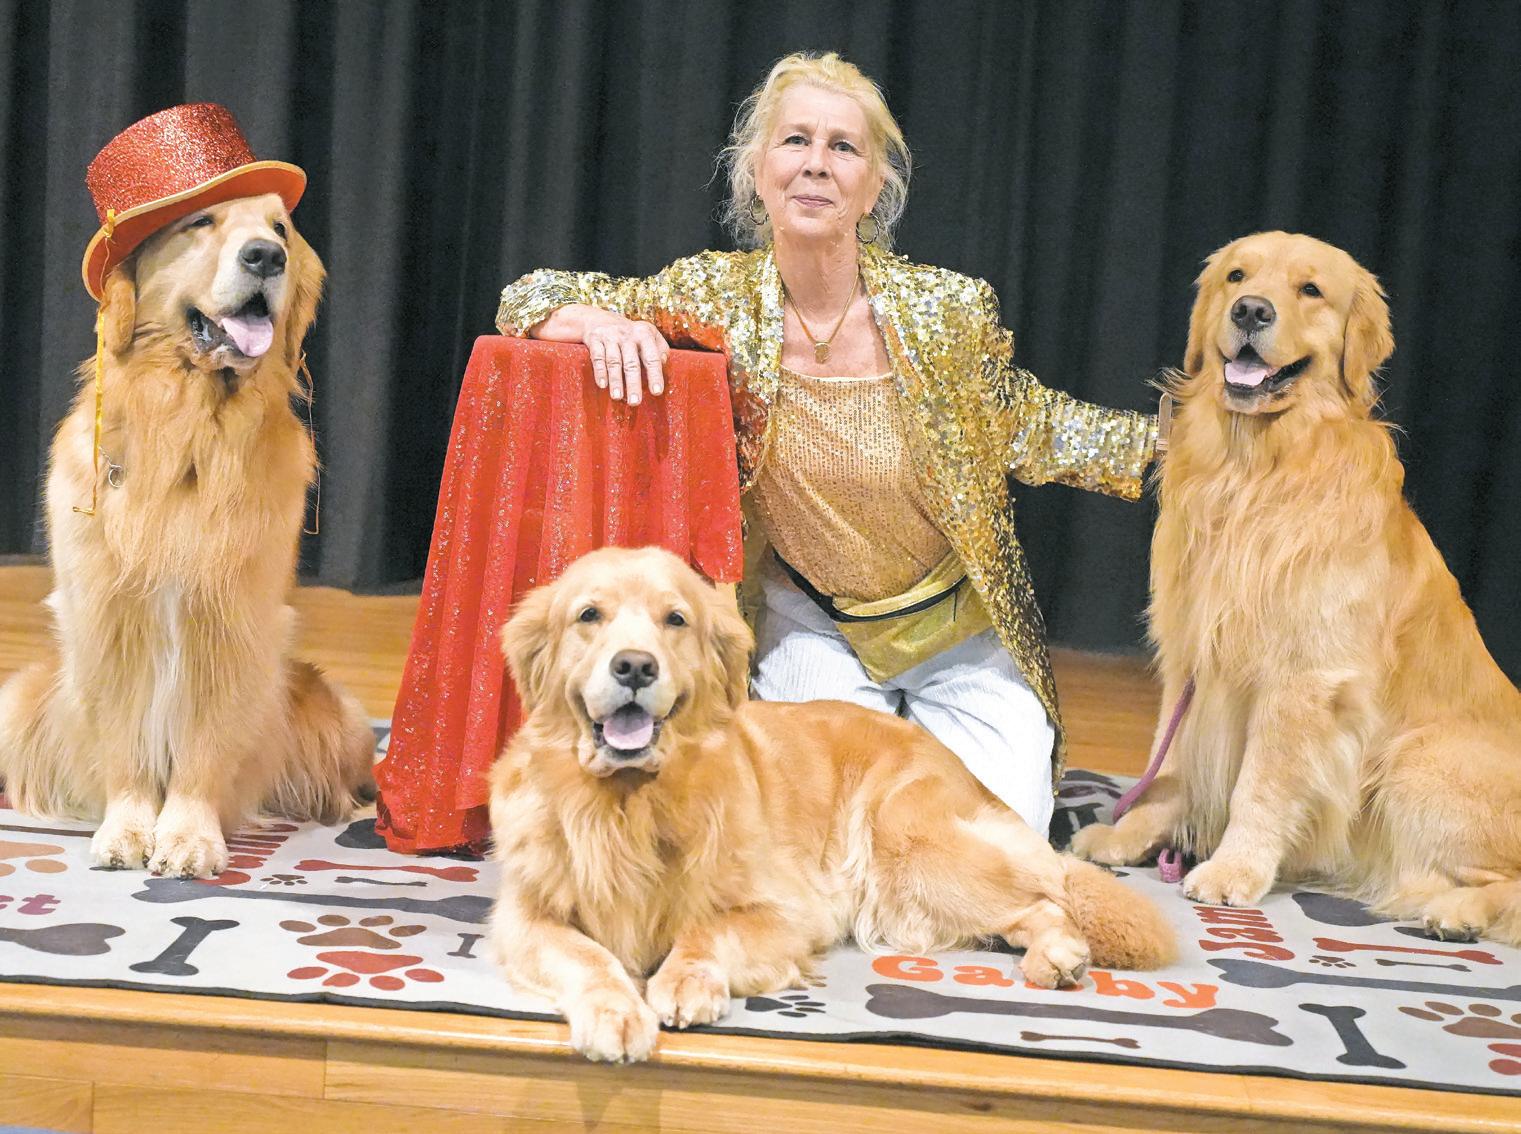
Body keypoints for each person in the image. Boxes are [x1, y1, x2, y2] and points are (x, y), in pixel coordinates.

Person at [495, 51, 1155, 837]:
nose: (815, 164)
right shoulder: (714, 296)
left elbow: (1033, 423)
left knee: (993, 835)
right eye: (794, 141)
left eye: (843, 147)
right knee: (821, 825)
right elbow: (529, 294)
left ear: (873, 187)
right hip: (814, 625)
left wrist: (1175, 449)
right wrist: (598, 322)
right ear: (757, 171)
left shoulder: (946, 310)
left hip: (956, 631)